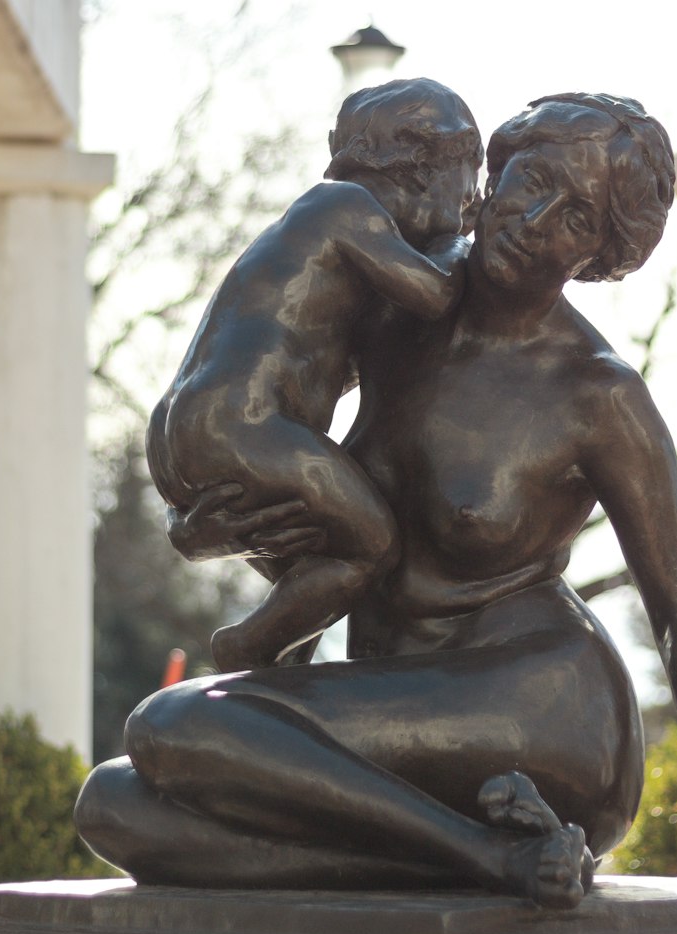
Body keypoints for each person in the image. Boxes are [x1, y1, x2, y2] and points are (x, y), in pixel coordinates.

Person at [77, 92, 677, 909]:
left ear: (600, 253)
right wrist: (208, 526)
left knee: (172, 729)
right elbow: (277, 449)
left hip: (542, 716)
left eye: (576, 217)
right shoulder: (391, 307)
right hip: (392, 715)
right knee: (114, 806)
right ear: (492, 173)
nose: (534, 220)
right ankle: (485, 856)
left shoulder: (594, 394)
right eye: (530, 181)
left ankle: (488, 854)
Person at [146, 77, 483, 673]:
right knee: (373, 545)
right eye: (467, 188)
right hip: (240, 423)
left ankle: (277, 684)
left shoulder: (326, 255)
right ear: (428, 165)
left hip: (187, 427)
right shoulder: (344, 207)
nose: (467, 206)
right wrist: (463, 244)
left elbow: (333, 359)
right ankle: (245, 649)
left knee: (316, 582)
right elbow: (435, 296)